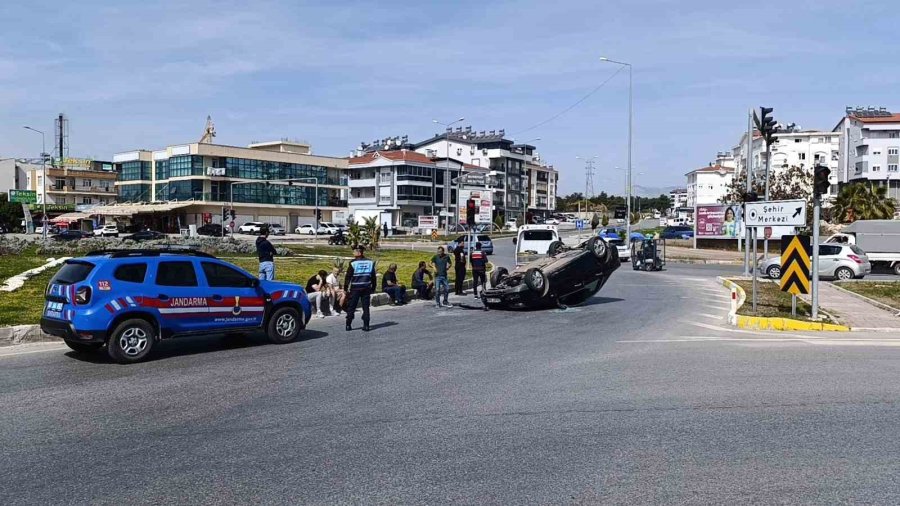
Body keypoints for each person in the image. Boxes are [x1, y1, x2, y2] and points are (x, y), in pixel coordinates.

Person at [343, 246, 376, 331]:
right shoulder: (370, 262)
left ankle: (348, 325)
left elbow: (348, 277)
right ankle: (366, 325)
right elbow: (373, 277)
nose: (353, 253)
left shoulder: (353, 263)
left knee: (352, 306)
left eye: (354, 252)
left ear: (359, 253)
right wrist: (373, 287)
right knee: (366, 307)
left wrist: (345, 288)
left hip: (355, 288)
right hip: (366, 287)